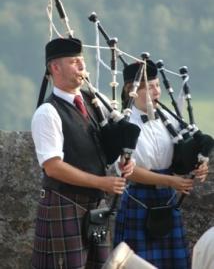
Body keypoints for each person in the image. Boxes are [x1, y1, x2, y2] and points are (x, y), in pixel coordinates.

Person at [31, 37, 135, 269]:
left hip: (96, 207)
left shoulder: (94, 103)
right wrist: (102, 182)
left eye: (81, 61)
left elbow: (104, 149)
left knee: (98, 266)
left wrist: (124, 164)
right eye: (74, 61)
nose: (81, 66)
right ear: (55, 67)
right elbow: (53, 166)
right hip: (64, 204)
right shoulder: (48, 112)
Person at [113, 60, 209, 269]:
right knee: (135, 263)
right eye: (150, 87)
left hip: (166, 200)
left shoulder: (169, 119)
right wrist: (169, 181)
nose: (157, 91)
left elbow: (181, 157)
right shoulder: (124, 125)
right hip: (139, 199)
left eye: (158, 85)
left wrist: (200, 163)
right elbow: (129, 172)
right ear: (132, 90)